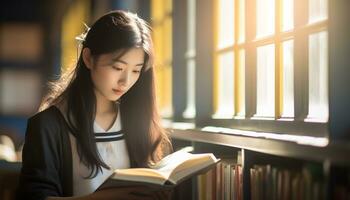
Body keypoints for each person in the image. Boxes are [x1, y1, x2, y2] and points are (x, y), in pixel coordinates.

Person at [16, 10, 173, 200]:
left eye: (136, 70)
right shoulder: (48, 125)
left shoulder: (138, 119)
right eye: (118, 68)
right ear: (89, 58)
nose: (126, 81)